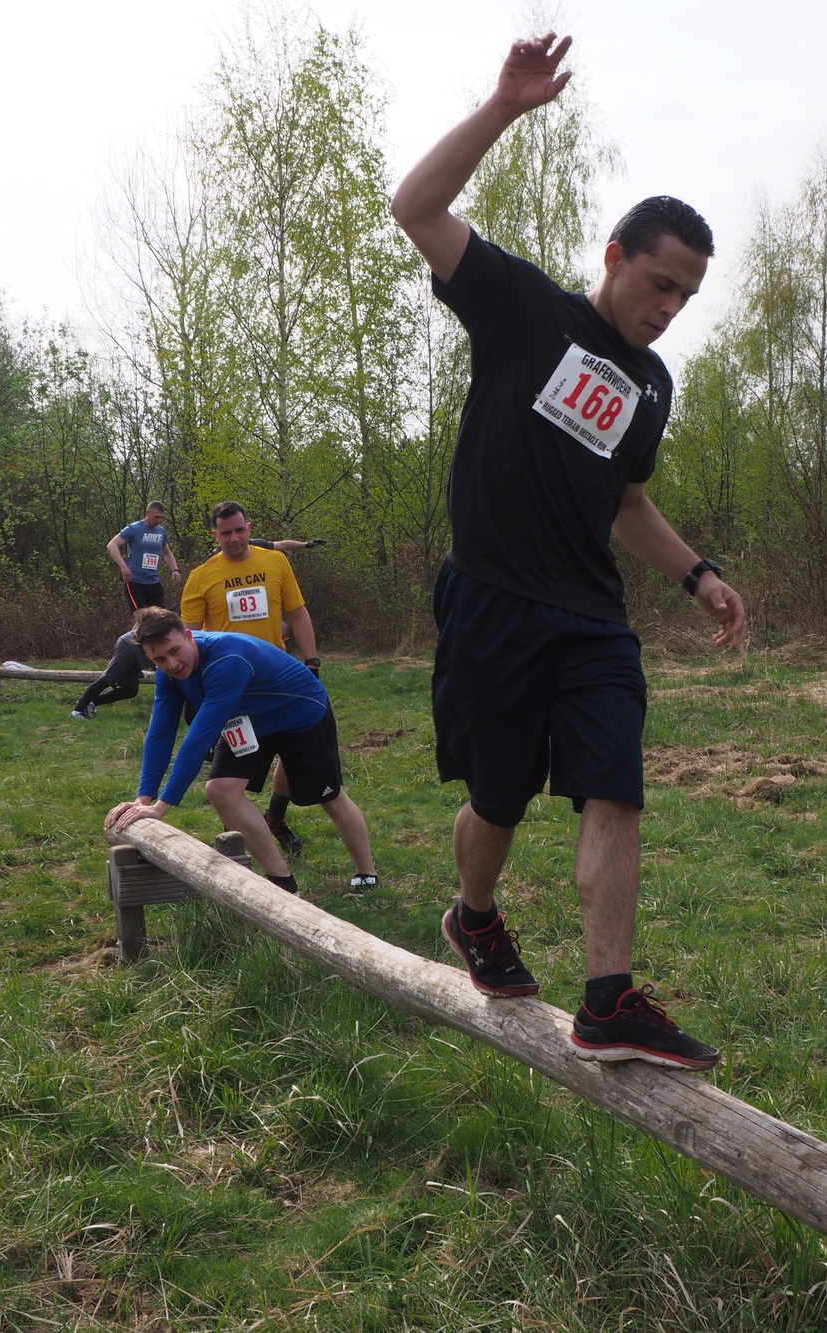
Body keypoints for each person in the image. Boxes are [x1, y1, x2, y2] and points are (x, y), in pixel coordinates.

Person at [391, 32, 746, 1069]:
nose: (669, 307)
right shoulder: (522, 310)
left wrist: (697, 571)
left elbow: (624, 500)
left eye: (687, 295)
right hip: (493, 598)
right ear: (615, 257)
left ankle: (607, 998)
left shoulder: (650, 387)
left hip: (591, 616)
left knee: (613, 784)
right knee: (495, 800)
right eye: (661, 281)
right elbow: (416, 207)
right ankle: (474, 912)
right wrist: (502, 107)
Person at [104, 607, 379, 897]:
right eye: (160, 659)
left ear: (189, 636)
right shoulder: (167, 674)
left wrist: (161, 807)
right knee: (220, 790)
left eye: (175, 651)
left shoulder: (227, 660)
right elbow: (160, 733)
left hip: (300, 714)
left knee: (330, 798)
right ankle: (281, 882)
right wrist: (143, 798)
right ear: (150, 658)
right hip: (248, 719)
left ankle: (367, 874)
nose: (172, 664)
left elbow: (197, 740)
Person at [180, 501, 328, 868]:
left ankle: (274, 818)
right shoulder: (201, 576)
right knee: (230, 775)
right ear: (215, 535)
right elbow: (188, 639)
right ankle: (241, 849)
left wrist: (311, 662)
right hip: (233, 691)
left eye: (239, 530)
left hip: (278, 677)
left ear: (249, 527)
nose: (233, 538)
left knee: (292, 749)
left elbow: (296, 612)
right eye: (225, 532)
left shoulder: (275, 562)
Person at [106, 502, 181, 613]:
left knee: (160, 619)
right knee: (142, 619)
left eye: (161, 518)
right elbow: (112, 545)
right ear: (147, 513)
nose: (159, 520)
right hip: (135, 581)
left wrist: (175, 569)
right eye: (156, 517)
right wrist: (123, 566)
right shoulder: (134, 528)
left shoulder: (161, 531)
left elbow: (167, 553)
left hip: (153, 582)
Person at [70, 631, 149, 720]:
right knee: (108, 679)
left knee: (131, 690)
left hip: (138, 652)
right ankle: (77, 711)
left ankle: (90, 702)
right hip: (129, 646)